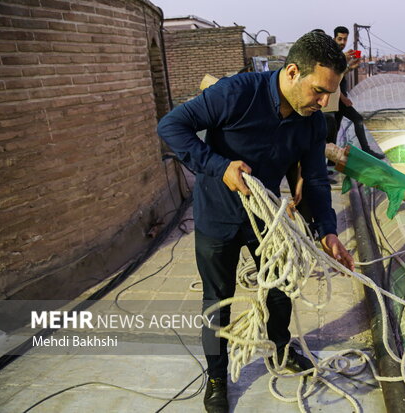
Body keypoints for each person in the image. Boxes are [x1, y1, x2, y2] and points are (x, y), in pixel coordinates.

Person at [157, 32, 355, 413]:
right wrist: (219, 166)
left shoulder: (312, 122)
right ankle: (217, 377)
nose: (324, 101)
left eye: (330, 93)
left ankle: (280, 347)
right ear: (292, 72)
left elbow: (314, 180)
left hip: (266, 217)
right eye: (318, 91)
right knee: (217, 302)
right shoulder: (236, 94)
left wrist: (327, 231)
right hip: (217, 217)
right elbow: (171, 126)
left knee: (279, 286)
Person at [333, 26, 385, 159]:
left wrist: (350, 67)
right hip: (336, 98)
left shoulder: (339, 55)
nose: (342, 42)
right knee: (357, 119)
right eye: (340, 39)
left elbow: (340, 74)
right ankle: (367, 150)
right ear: (334, 38)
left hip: (337, 98)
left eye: (345, 39)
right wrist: (343, 97)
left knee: (335, 129)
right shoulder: (333, 55)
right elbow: (331, 78)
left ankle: (331, 161)